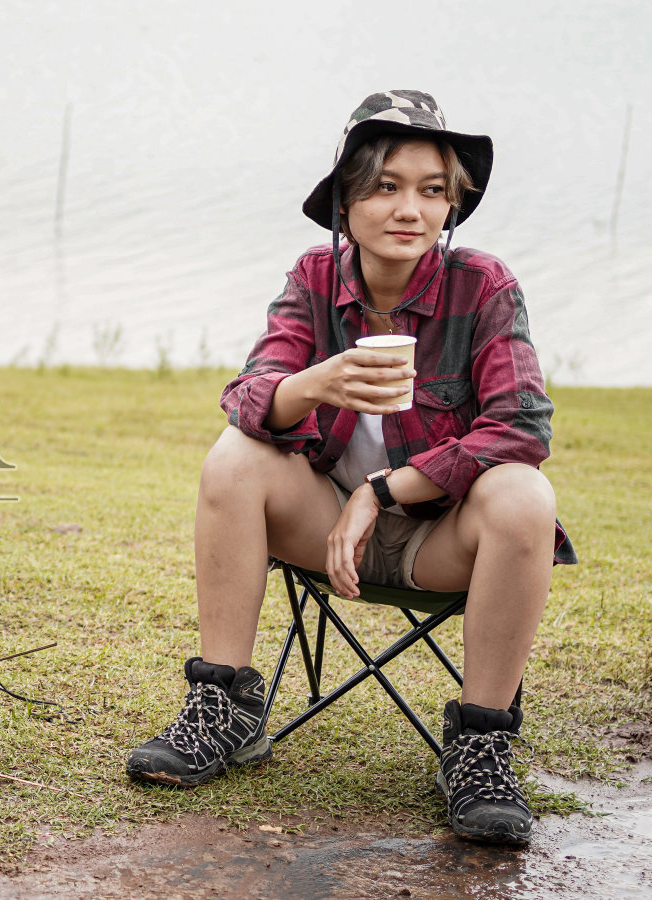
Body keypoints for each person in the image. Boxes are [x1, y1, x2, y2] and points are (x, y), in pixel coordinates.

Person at [124, 91, 576, 845]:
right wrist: (314, 386)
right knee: (235, 457)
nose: (411, 209)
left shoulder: (483, 285)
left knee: (525, 493)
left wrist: (384, 491)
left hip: (441, 540)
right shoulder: (314, 276)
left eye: (433, 190)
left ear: (451, 207)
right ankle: (223, 708)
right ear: (345, 202)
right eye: (386, 186)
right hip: (324, 530)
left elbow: (522, 425)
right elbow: (247, 396)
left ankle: (480, 746)